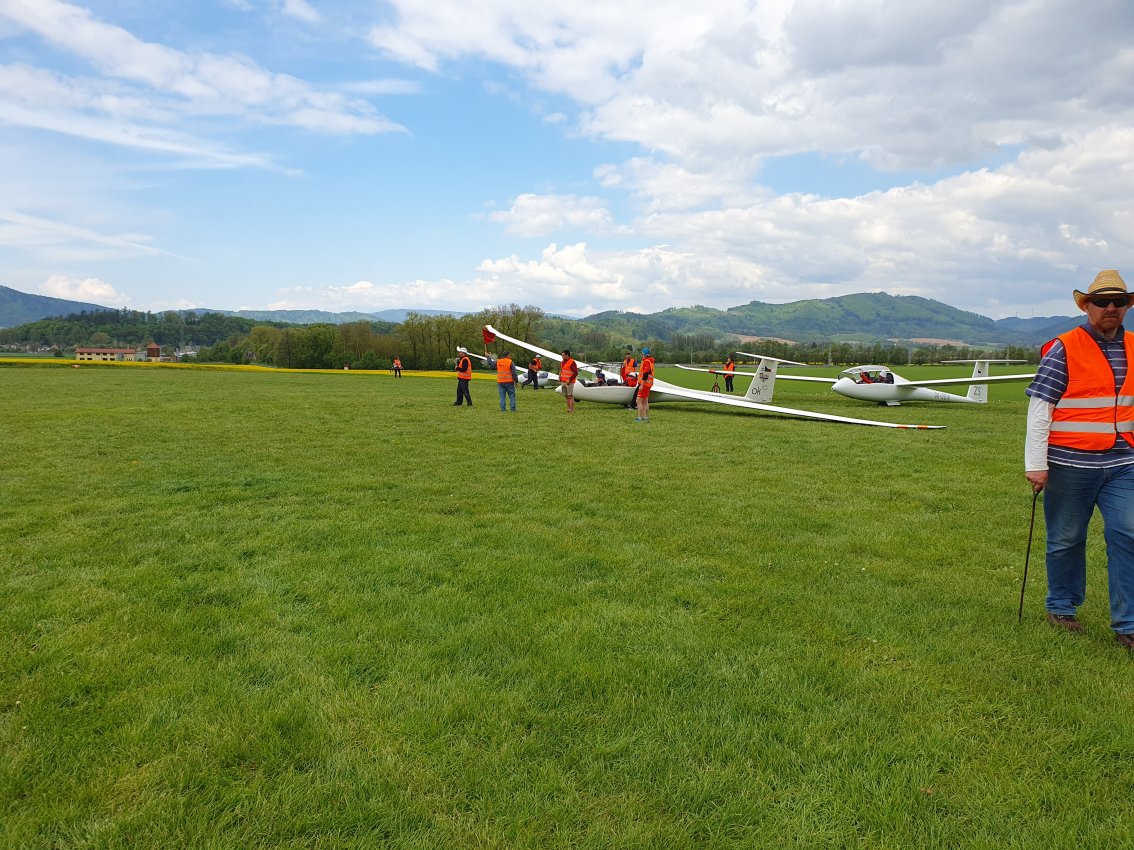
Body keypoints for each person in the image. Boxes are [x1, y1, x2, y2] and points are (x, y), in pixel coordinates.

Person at [1025, 269, 1134, 650]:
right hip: (1070, 464)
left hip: (1123, 463)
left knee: (1129, 534)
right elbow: (1041, 409)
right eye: (1102, 301)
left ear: (1127, 307)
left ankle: (1128, 626)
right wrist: (1036, 464)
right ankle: (1061, 607)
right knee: (1066, 538)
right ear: (1086, 306)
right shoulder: (1064, 348)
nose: (1111, 308)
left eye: (1119, 301)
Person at [635, 346, 655, 422]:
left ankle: (639, 418)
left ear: (646, 354)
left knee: (638, 401)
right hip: (648, 384)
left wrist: (642, 385)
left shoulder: (646, 361)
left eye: (643, 354)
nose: (642, 355)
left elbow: (645, 374)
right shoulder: (650, 361)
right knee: (645, 401)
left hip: (645, 384)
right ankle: (645, 417)